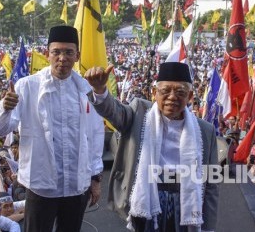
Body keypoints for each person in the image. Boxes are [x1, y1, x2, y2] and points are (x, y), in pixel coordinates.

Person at [0, 25, 105, 232]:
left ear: (77, 55)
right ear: (47, 53)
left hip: (75, 184)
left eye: (68, 52)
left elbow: (95, 136)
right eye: (56, 52)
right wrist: (4, 109)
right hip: (41, 186)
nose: (62, 58)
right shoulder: (27, 86)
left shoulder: (85, 90)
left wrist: (95, 178)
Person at [84, 61, 219, 232]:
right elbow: (114, 112)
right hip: (149, 197)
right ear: (154, 93)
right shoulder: (139, 112)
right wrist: (100, 91)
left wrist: (209, 228)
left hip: (186, 202)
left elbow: (212, 183)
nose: (172, 97)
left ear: (190, 96)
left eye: (180, 92)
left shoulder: (205, 131)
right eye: (165, 91)